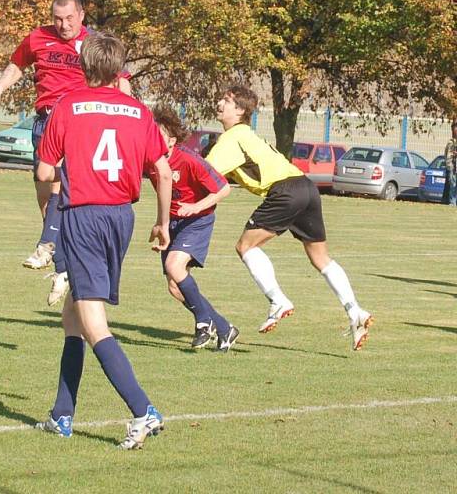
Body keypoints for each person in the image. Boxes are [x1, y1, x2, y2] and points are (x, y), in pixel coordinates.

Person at [33, 32, 172, 449]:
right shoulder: (139, 111)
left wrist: (71, 176)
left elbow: (43, 173)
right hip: (121, 218)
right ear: (119, 70)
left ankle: (142, 409)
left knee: (92, 321)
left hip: (84, 216)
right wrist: (163, 223)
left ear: (83, 66)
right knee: (72, 317)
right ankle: (62, 415)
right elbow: (163, 172)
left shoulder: (68, 106)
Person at [0, 0, 131, 306]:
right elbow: (17, 64)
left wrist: (128, 110)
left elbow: (121, 80)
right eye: (57, 18)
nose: (63, 25)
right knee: (47, 197)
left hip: (78, 120)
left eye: (69, 19)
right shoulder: (38, 37)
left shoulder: (93, 44)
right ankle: (63, 267)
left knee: (60, 185)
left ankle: (46, 245)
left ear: (82, 15)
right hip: (44, 122)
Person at [205, 85, 374, 351]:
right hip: (305, 187)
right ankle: (355, 312)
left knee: (245, 246)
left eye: (225, 100)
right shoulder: (247, 134)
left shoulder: (231, 138)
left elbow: (204, 173)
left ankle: (277, 300)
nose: (219, 103)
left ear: (239, 110)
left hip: (284, 191)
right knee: (321, 258)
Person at [150, 105, 238, 351]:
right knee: (174, 286)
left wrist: (195, 206)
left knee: (173, 266)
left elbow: (223, 188)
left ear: (172, 140)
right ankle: (223, 327)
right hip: (174, 223)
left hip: (198, 220)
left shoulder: (189, 159)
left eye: (159, 135)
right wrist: (162, 223)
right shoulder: (151, 162)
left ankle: (202, 321)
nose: (153, 140)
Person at [444, 120, 457, 206]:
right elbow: (447, 156)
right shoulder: (451, 142)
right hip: (453, 167)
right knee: (453, 185)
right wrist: (449, 167)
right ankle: (452, 203)